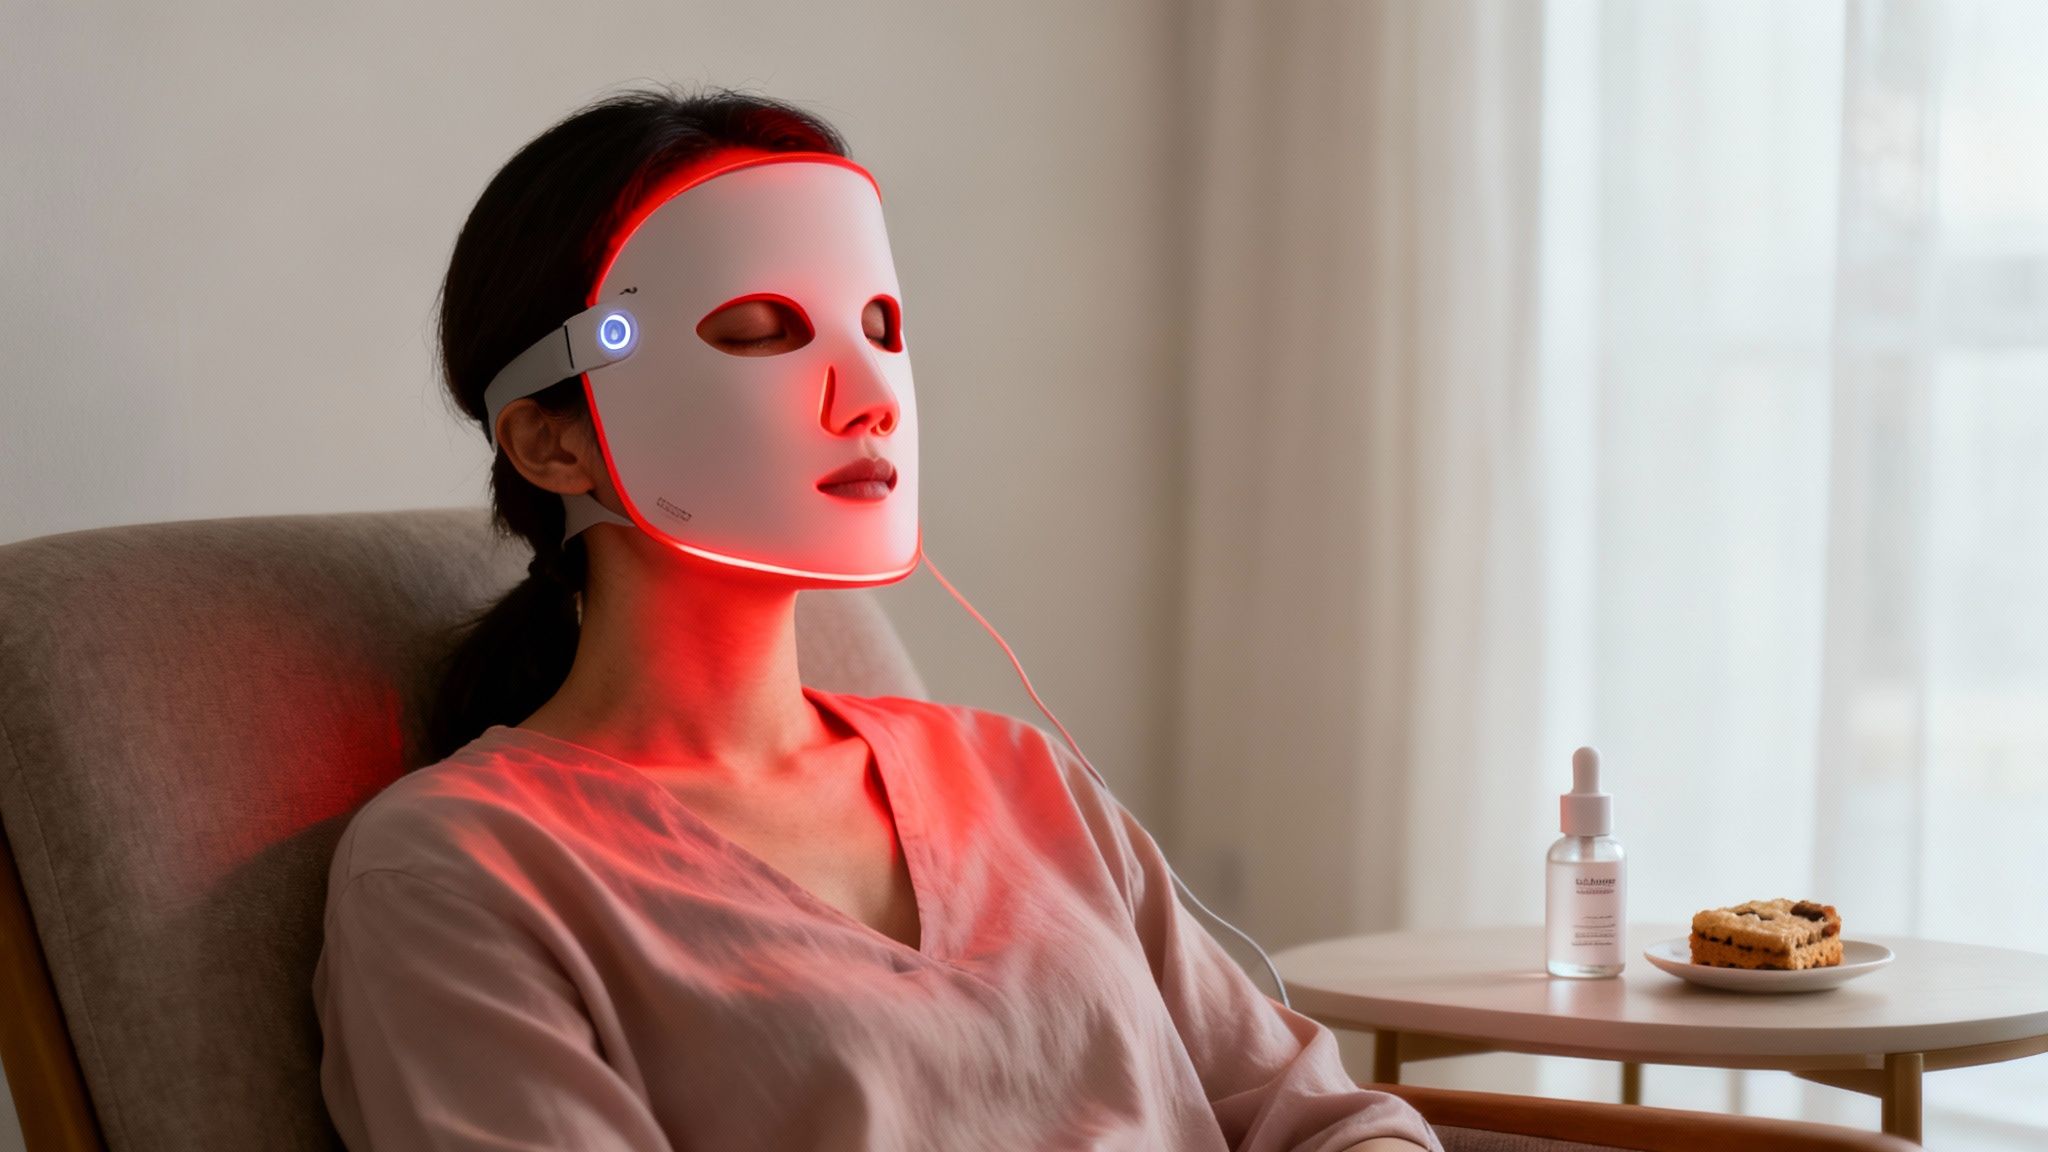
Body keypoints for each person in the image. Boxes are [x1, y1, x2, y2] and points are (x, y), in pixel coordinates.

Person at [311, 83, 1440, 1152]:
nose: (866, 398)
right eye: (757, 334)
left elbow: (1322, 1118)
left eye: (881, 327)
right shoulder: (462, 869)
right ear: (552, 439)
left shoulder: (1014, 779)